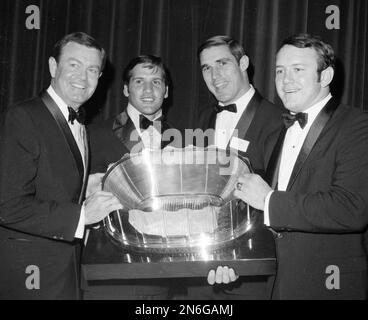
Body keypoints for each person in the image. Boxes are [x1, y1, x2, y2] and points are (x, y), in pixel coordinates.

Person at [209, 33, 368, 300]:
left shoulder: (357, 124)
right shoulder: (279, 132)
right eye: (280, 71)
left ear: (326, 76)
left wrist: (269, 200)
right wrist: (235, 261)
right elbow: (265, 219)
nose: (285, 80)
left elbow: (352, 207)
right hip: (275, 284)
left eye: (298, 70)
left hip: (328, 286)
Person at [0, 32, 123, 300]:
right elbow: (6, 205)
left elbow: (53, 184)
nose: (83, 77)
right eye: (74, 65)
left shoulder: (81, 125)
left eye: (92, 69)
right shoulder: (24, 117)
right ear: (53, 67)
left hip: (66, 267)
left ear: (99, 78)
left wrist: (87, 187)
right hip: (30, 273)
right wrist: (82, 216)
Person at [184, 35, 284, 300]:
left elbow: (276, 203)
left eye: (222, 63)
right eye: (206, 68)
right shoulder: (204, 117)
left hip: (247, 268)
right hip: (202, 264)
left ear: (244, 63)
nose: (214, 75)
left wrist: (234, 258)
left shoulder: (277, 120)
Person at [84, 55, 177, 300]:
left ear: (166, 91)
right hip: (109, 277)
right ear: (126, 89)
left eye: (156, 82)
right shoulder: (93, 134)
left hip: (162, 276)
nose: (148, 89)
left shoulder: (183, 140)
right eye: (139, 81)